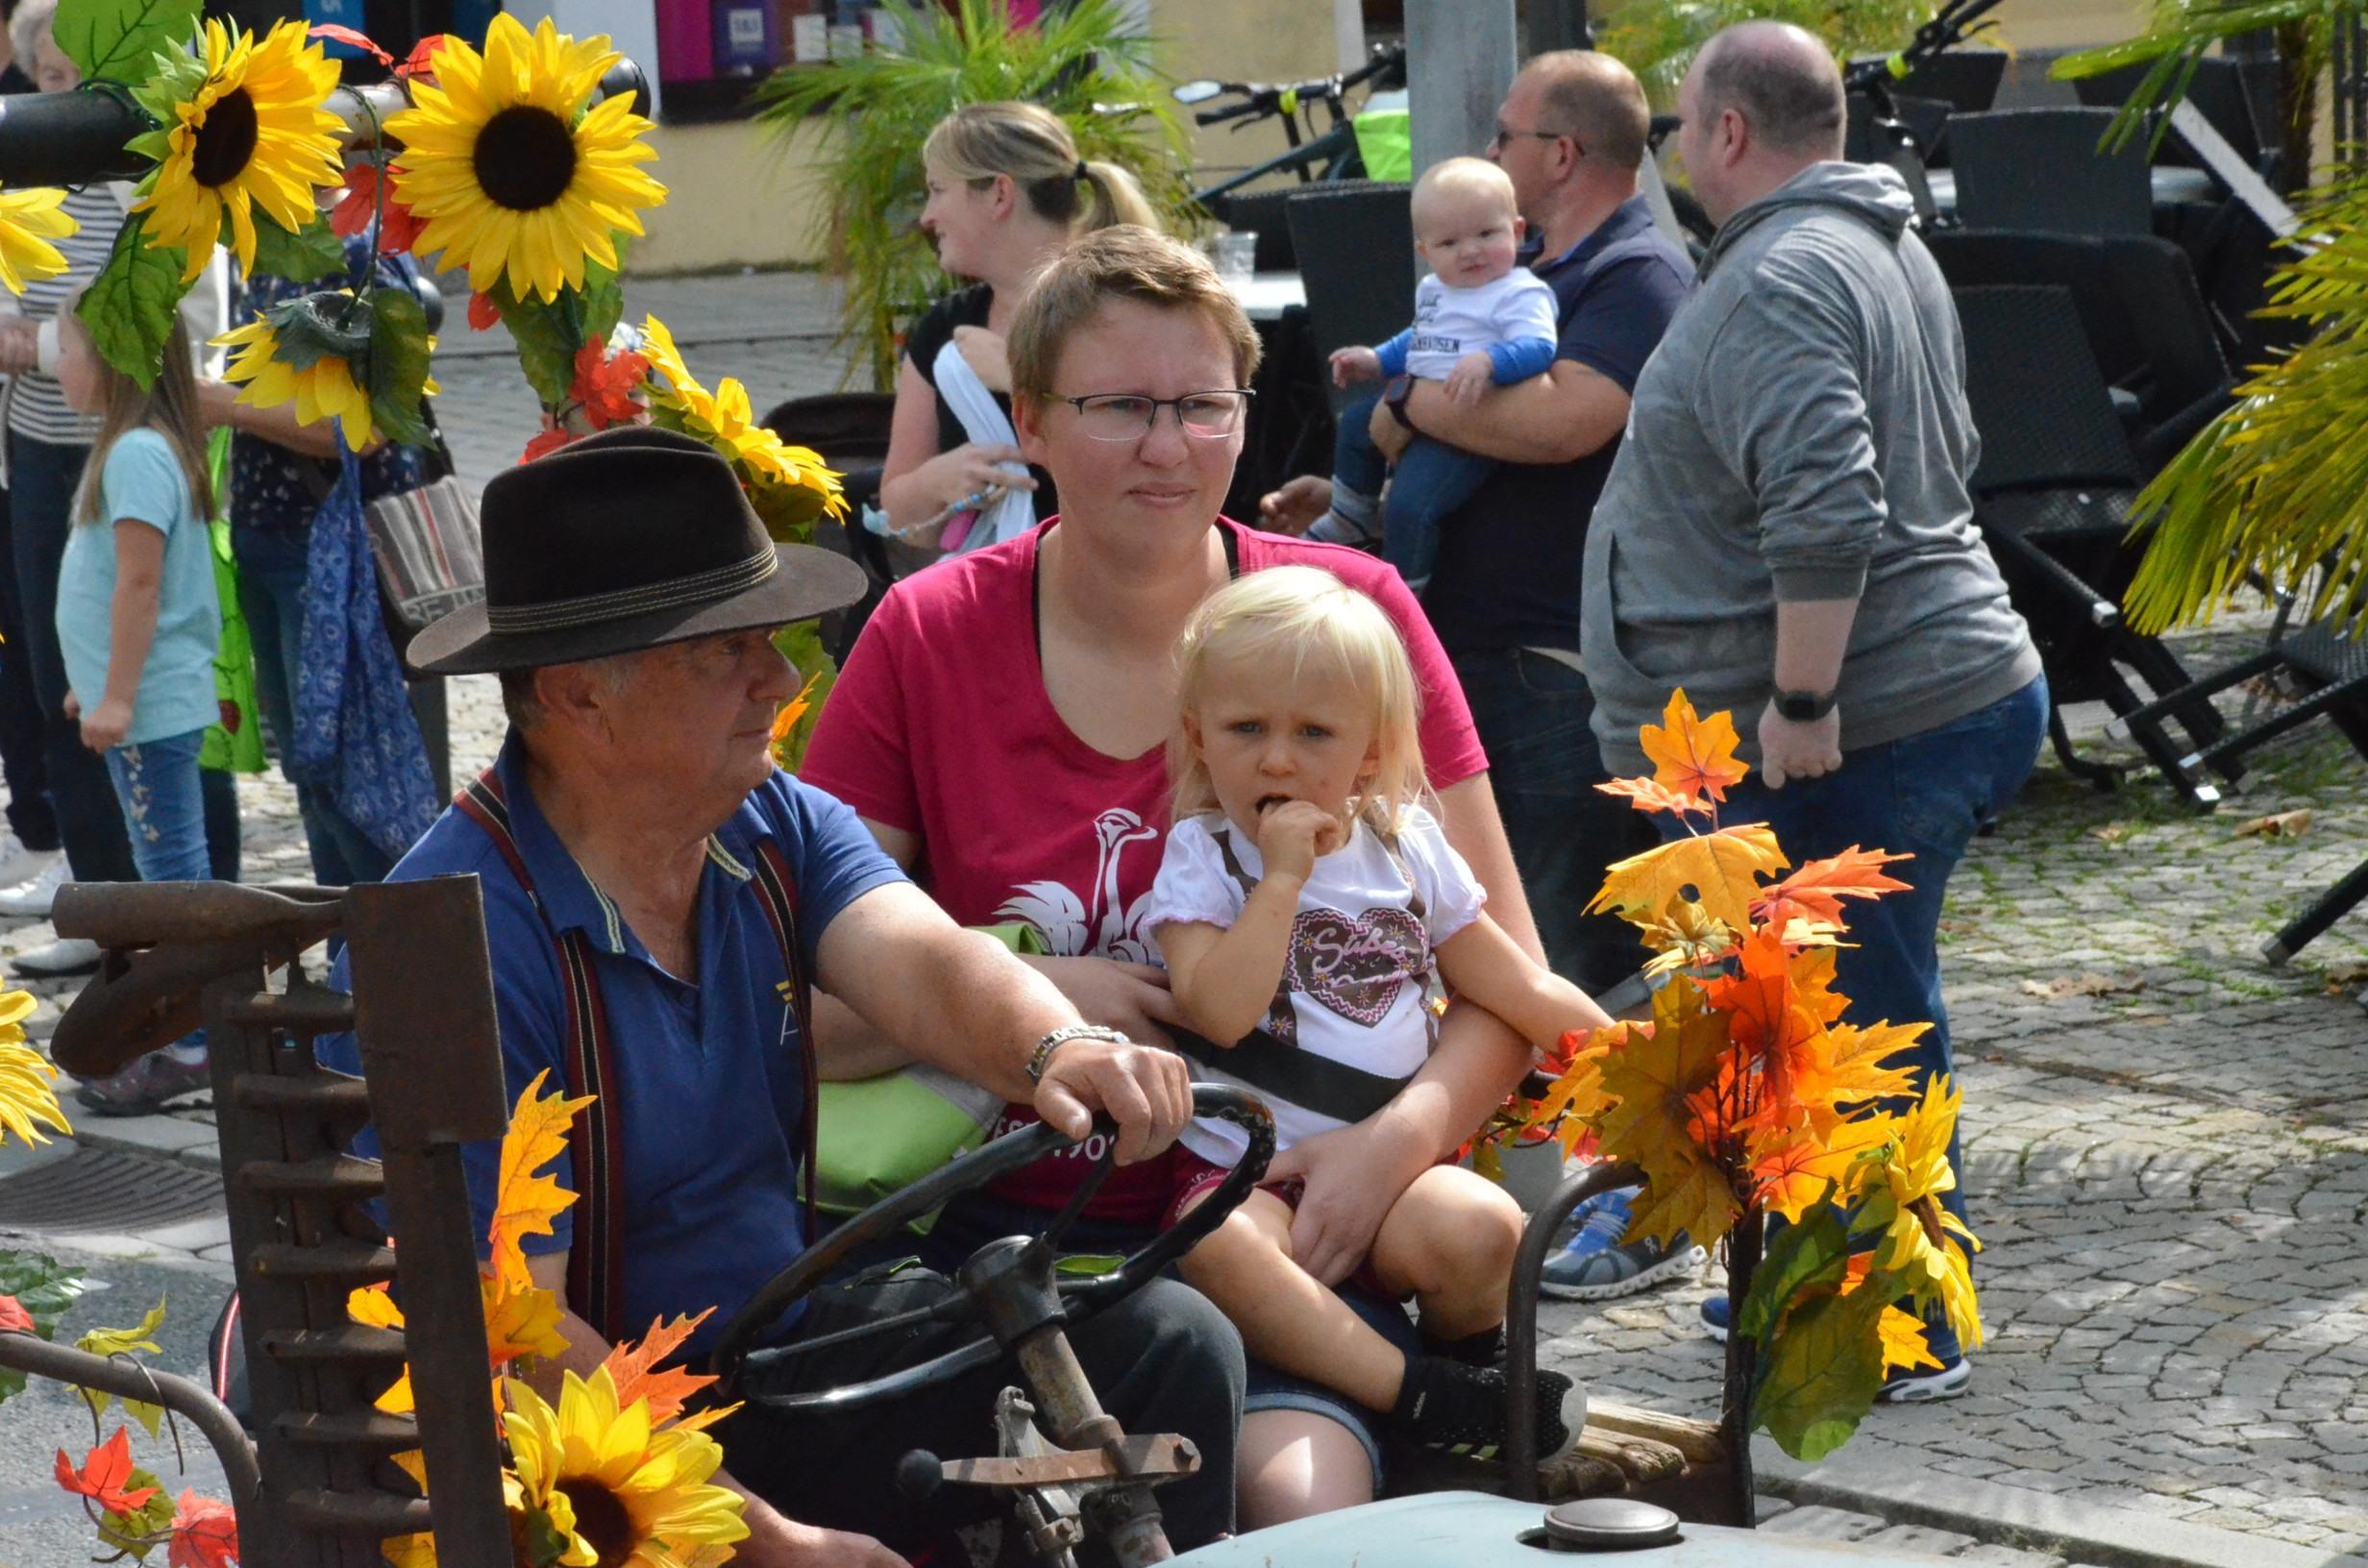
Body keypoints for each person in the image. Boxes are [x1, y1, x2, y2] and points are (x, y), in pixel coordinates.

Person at [315, 426, 1241, 1566]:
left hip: (772, 1358)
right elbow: (517, 1342)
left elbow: (927, 958)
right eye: (731, 650)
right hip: (578, 1460)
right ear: (576, 698)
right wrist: (776, 1546)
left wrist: (1058, 1048)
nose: (788, 680)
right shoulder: (449, 940)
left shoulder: (769, 824)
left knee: (1166, 1349)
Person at [802, 226, 1545, 1526]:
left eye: (1205, 406)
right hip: (1008, 1250)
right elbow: (795, 1018)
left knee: (1299, 1515)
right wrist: (1030, 989)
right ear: (1027, 420)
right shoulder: (927, 636)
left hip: (1300, 1237)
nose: (1169, 444)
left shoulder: (1350, 620)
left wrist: (1395, 1144)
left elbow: (1502, 979)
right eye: (1120, 408)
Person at [1578, 21, 2047, 1402]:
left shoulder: (1787, 273)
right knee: (1827, 1018)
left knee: (1855, 1034)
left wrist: (1799, 696)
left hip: (1868, 719)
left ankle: (1897, 1338)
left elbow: (1834, 501)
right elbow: (1943, 453)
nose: (1674, 150)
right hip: (1914, 699)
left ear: (1728, 133)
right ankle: (1809, 1299)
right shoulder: (1877, 246)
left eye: (1677, 127)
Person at [1264, 51, 1698, 1303]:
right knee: (1507, 956)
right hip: (1479, 655)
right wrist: (1372, 461)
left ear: (1561, 156)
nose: (1495, 153)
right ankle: (1509, 1218)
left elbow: (1561, 420)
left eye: (1507, 136)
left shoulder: (1633, 274)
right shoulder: (1530, 271)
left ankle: (1622, 1208)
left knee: (1549, 956)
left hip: (1548, 665)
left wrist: (1402, 403)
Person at [1148, 564, 1604, 1462]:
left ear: (1370, 747)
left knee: (1483, 1227)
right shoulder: (1203, 857)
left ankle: (1476, 1378)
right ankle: (1427, 1400)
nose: (1277, 759)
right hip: (1250, 1175)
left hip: (1393, 1170)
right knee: (1208, 1247)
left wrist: (1652, 1072)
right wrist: (1280, 879)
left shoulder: (1405, 847)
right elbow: (1220, 1012)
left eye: (1313, 732)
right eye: (1247, 730)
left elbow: (1517, 989)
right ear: (1200, 739)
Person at [0, 0, 231, 972]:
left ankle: (195, 915)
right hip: (45, 451)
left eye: (83, 82)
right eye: (49, 83)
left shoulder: (157, 188)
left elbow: (178, 326)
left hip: (134, 444)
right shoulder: (21, 190)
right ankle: (104, 914)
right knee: (64, 675)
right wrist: (61, 344)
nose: (68, 102)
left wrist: (41, 343)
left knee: (150, 686)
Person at [202, 221, 441, 887]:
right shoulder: (258, 245)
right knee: (311, 773)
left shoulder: (356, 254)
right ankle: (350, 959)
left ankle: (394, 954)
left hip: (334, 557)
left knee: (350, 774)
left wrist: (225, 405)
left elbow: (366, 428)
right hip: (267, 541)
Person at [51, 301, 221, 1115]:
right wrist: (94, 679)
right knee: (167, 875)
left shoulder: (139, 457)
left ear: (114, 361)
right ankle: (194, 1032)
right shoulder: (128, 450)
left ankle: (195, 1044)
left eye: (69, 348)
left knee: (172, 881)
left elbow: (141, 584)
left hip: (150, 711)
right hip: (137, 703)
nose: (56, 364)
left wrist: (117, 695)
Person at [876, 101, 1158, 553]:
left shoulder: (1121, 307)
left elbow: (1155, 453)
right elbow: (902, 522)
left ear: (999, 195)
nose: (927, 216)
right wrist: (937, 482)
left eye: (938, 190)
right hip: (991, 592)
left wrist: (1017, 378)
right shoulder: (944, 330)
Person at [1311, 159, 1557, 594]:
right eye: (1449, 242)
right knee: (1353, 424)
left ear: (1517, 232)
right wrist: (1376, 359)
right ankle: (1350, 517)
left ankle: (1404, 595)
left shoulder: (1520, 292)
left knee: (1412, 503)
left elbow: (1540, 346)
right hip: (1421, 411)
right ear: (1425, 252)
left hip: (1468, 425)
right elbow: (1422, 339)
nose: (1471, 251)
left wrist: (1490, 361)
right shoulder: (1436, 291)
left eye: (1487, 233)